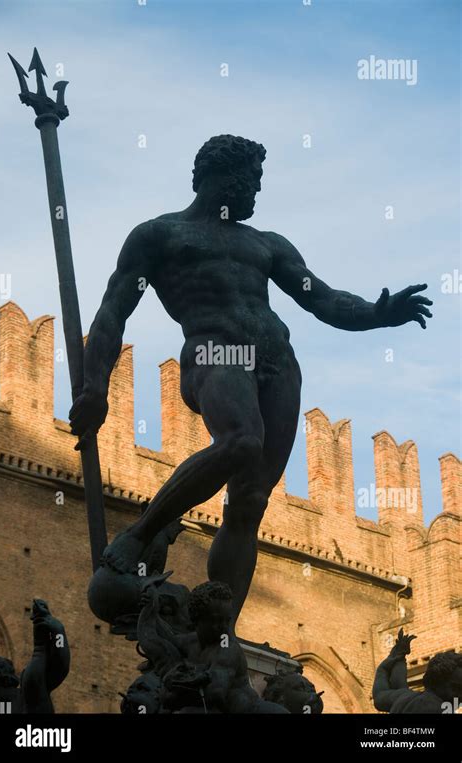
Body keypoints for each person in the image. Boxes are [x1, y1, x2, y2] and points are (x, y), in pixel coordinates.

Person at [70, 134, 433, 624]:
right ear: (222, 177)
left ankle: (220, 635)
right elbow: (114, 312)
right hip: (216, 351)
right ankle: (142, 532)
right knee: (241, 440)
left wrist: (377, 313)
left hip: (279, 362)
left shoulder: (266, 244)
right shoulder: (159, 236)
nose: (257, 192)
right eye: (253, 180)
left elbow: (321, 299)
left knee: (250, 500)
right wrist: (96, 387)